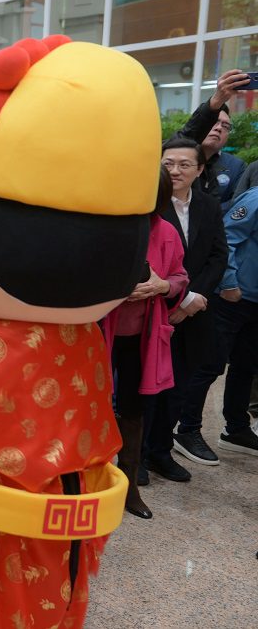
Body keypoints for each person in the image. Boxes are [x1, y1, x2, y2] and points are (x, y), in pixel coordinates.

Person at [103, 169, 188, 519]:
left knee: (134, 409)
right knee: (90, 404)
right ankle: (88, 478)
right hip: (99, 331)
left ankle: (130, 484)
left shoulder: (166, 232)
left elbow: (180, 276)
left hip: (143, 336)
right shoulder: (107, 229)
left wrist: (161, 287)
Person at [142, 138, 228, 477]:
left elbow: (218, 255)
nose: (175, 171)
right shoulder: (148, 205)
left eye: (184, 164)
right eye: (168, 164)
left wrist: (192, 299)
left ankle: (162, 451)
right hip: (155, 309)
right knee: (147, 386)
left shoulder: (208, 205)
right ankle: (140, 455)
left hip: (195, 310)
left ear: (200, 169)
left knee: (179, 386)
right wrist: (177, 298)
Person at [178, 164, 258, 459]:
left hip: (255, 304)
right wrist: (230, 282)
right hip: (233, 297)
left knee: (246, 366)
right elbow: (228, 241)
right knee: (210, 365)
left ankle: (236, 428)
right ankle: (186, 430)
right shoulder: (255, 199)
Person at [175, 69, 252, 209]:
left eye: (225, 125)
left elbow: (237, 203)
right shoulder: (175, 157)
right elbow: (185, 138)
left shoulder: (236, 166)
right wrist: (217, 100)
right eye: (214, 122)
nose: (218, 128)